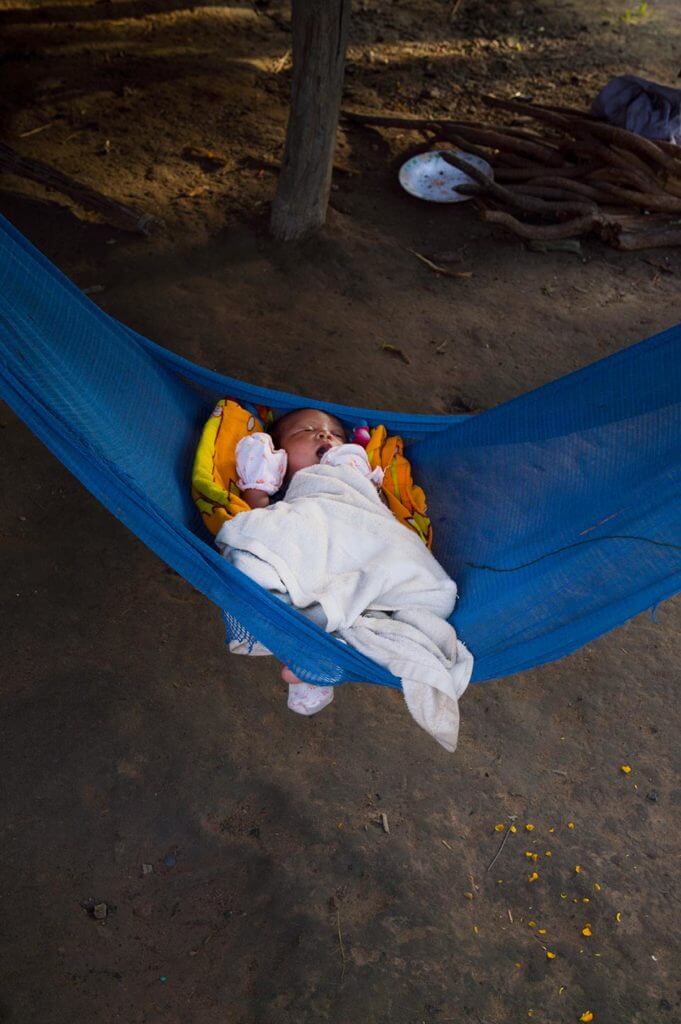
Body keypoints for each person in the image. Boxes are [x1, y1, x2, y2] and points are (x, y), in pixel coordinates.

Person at [235, 408, 384, 715]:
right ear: (281, 456)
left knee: (370, 592)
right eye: (305, 431)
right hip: (312, 545)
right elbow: (256, 513)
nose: (325, 434)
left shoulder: (353, 470)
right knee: (271, 571)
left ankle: (319, 651)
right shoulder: (284, 493)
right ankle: (310, 656)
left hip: (359, 543)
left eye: (337, 435)